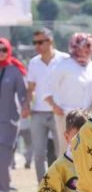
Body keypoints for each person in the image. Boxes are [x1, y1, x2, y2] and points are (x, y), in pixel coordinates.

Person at [44, 33, 92, 158]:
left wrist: (90, 108)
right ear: (77, 46)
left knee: (89, 152)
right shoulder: (63, 65)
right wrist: (54, 106)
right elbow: (46, 89)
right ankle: (66, 178)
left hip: (89, 117)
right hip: (66, 116)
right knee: (66, 152)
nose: (91, 48)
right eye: (87, 45)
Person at [24, 28, 69, 182]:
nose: (37, 45)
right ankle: (42, 188)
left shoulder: (65, 59)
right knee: (39, 154)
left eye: (40, 42)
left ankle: (61, 186)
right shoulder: (33, 62)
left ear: (50, 41)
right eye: (35, 42)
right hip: (38, 113)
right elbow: (30, 89)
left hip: (59, 112)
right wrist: (26, 106)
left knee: (61, 151)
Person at [0, 37, 27, 192]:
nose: (1, 53)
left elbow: (23, 94)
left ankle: (4, 189)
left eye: (4, 49)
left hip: (9, 121)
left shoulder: (15, 70)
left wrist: (25, 107)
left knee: (3, 157)